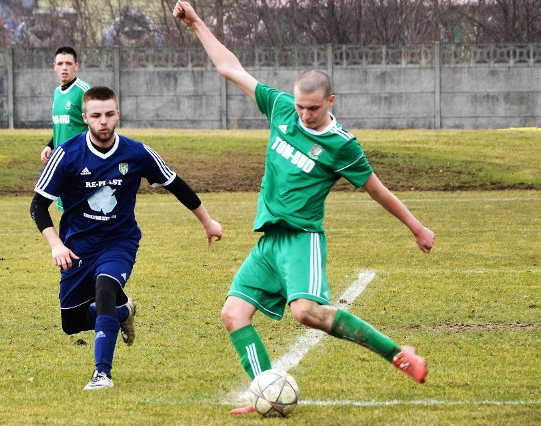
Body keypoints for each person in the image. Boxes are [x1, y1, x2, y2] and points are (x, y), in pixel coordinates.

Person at [173, 1, 436, 415]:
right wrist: (197, 24)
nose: (304, 114)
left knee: (306, 312)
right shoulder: (280, 109)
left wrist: (416, 227)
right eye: (300, 106)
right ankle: (264, 391)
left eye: (313, 108)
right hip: (269, 241)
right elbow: (230, 68)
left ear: (330, 101)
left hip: (301, 238)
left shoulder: (342, 146)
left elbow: (377, 190)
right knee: (233, 313)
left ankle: (398, 353)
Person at [30, 85, 223, 390]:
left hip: (119, 241)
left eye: (109, 114)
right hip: (77, 245)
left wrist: (208, 221)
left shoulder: (137, 152)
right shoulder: (68, 154)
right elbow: (38, 204)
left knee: (105, 288)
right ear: (85, 117)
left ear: (118, 113)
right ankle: (123, 312)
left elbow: (176, 184)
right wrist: (56, 244)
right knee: (71, 322)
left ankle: (102, 373)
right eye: (96, 115)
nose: (103, 121)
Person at [41, 46, 91, 211]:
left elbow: (97, 125)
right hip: (62, 161)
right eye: (60, 63)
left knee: (83, 209)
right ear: (54, 66)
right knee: (67, 209)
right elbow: (62, 124)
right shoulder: (57, 92)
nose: (64, 67)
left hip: (81, 161)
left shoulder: (83, 91)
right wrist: (50, 145)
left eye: (68, 63)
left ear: (76, 66)